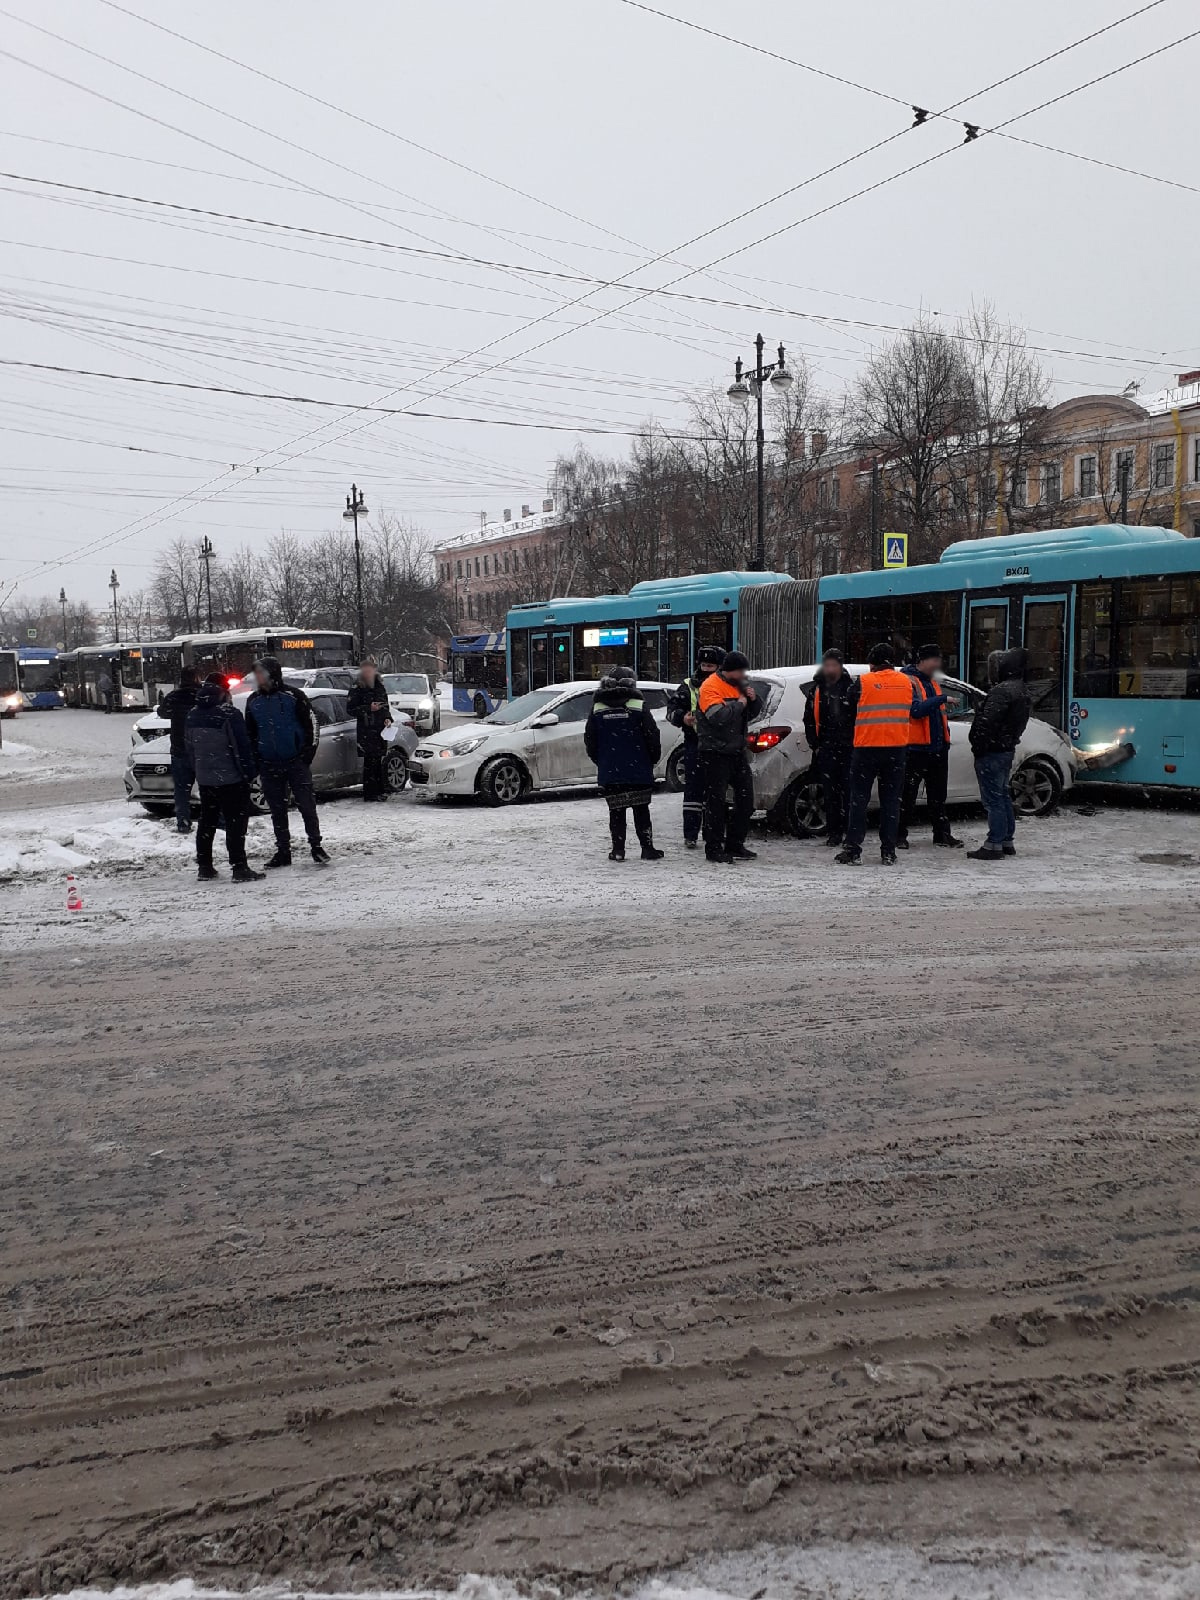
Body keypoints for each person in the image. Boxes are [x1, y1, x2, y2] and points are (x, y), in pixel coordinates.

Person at [835, 642, 921, 867]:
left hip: (866, 749)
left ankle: (853, 849)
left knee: (859, 800)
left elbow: (846, 709)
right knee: (891, 802)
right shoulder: (907, 682)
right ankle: (888, 851)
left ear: (872, 663)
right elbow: (914, 709)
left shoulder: (863, 682)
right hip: (896, 750)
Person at [245, 655, 330, 868]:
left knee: (307, 807)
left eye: (261, 672)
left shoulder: (294, 696)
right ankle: (283, 850)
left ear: (272, 674)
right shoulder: (253, 700)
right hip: (269, 763)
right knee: (277, 810)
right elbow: (250, 733)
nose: (257, 677)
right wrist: (257, 759)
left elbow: (312, 726)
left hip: (295, 762)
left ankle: (316, 847)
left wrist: (305, 757)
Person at [184, 673, 265, 883]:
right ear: (224, 692)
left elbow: (190, 749)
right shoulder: (229, 714)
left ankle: (205, 866)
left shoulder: (192, 715)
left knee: (207, 821)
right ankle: (239, 867)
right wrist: (249, 774)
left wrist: (199, 771)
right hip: (231, 778)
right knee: (235, 823)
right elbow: (242, 748)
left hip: (206, 779)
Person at [584, 665, 664, 861]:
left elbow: (590, 740)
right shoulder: (638, 705)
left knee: (616, 812)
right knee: (641, 810)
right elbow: (652, 735)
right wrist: (651, 759)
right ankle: (647, 849)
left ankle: (618, 850)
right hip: (638, 768)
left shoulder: (597, 708)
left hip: (611, 770)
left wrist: (602, 761)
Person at [898, 644, 963, 850]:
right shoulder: (909, 681)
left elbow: (936, 714)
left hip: (936, 748)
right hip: (915, 748)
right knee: (907, 796)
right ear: (922, 660)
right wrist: (942, 699)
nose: (938, 664)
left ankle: (942, 834)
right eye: (935, 660)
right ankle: (899, 836)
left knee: (938, 795)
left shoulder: (931, 683)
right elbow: (916, 711)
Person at [968, 647, 1030, 861]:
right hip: (1005, 749)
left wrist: (978, 744)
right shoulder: (1021, 689)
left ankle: (994, 843)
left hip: (992, 751)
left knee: (993, 799)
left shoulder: (1002, 691)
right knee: (1002, 795)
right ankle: (1006, 840)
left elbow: (987, 722)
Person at [697, 649, 758, 863]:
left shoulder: (738, 685)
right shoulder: (710, 687)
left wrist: (753, 699)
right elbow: (718, 717)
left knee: (746, 801)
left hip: (735, 750)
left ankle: (735, 844)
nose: (744, 675)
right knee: (716, 803)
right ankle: (713, 849)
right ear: (730, 670)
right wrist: (740, 703)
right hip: (715, 752)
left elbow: (751, 713)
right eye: (741, 671)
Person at [666, 645, 726, 848]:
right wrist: (682, 717)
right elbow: (671, 711)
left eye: (711, 665)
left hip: (719, 745)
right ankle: (691, 834)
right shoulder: (687, 686)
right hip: (695, 744)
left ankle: (714, 833)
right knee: (693, 793)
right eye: (704, 665)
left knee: (716, 793)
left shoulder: (726, 685)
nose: (706, 668)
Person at [802, 648, 857, 846]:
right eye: (827, 665)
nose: (830, 669)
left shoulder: (851, 688)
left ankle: (850, 832)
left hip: (848, 748)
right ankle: (834, 832)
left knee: (849, 792)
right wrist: (815, 745)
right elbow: (809, 719)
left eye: (834, 665)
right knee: (830, 793)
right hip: (826, 748)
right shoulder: (816, 690)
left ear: (841, 666)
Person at [158, 666, 200, 833]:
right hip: (200, 748)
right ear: (196, 678)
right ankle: (215, 820)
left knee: (182, 789)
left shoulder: (174, 696)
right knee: (207, 787)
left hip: (179, 747)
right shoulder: (202, 695)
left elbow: (162, 712)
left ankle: (183, 822)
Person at [346, 658, 394, 802]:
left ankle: (379, 790)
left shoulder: (379, 685)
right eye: (365, 670)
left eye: (371, 670)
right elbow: (350, 709)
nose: (368, 673)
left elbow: (385, 705)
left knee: (378, 760)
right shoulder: (357, 688)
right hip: (366, 730)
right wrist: (368, 709)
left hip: (379, 729)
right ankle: (370, 793)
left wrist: (387, 718)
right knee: (369, 763)